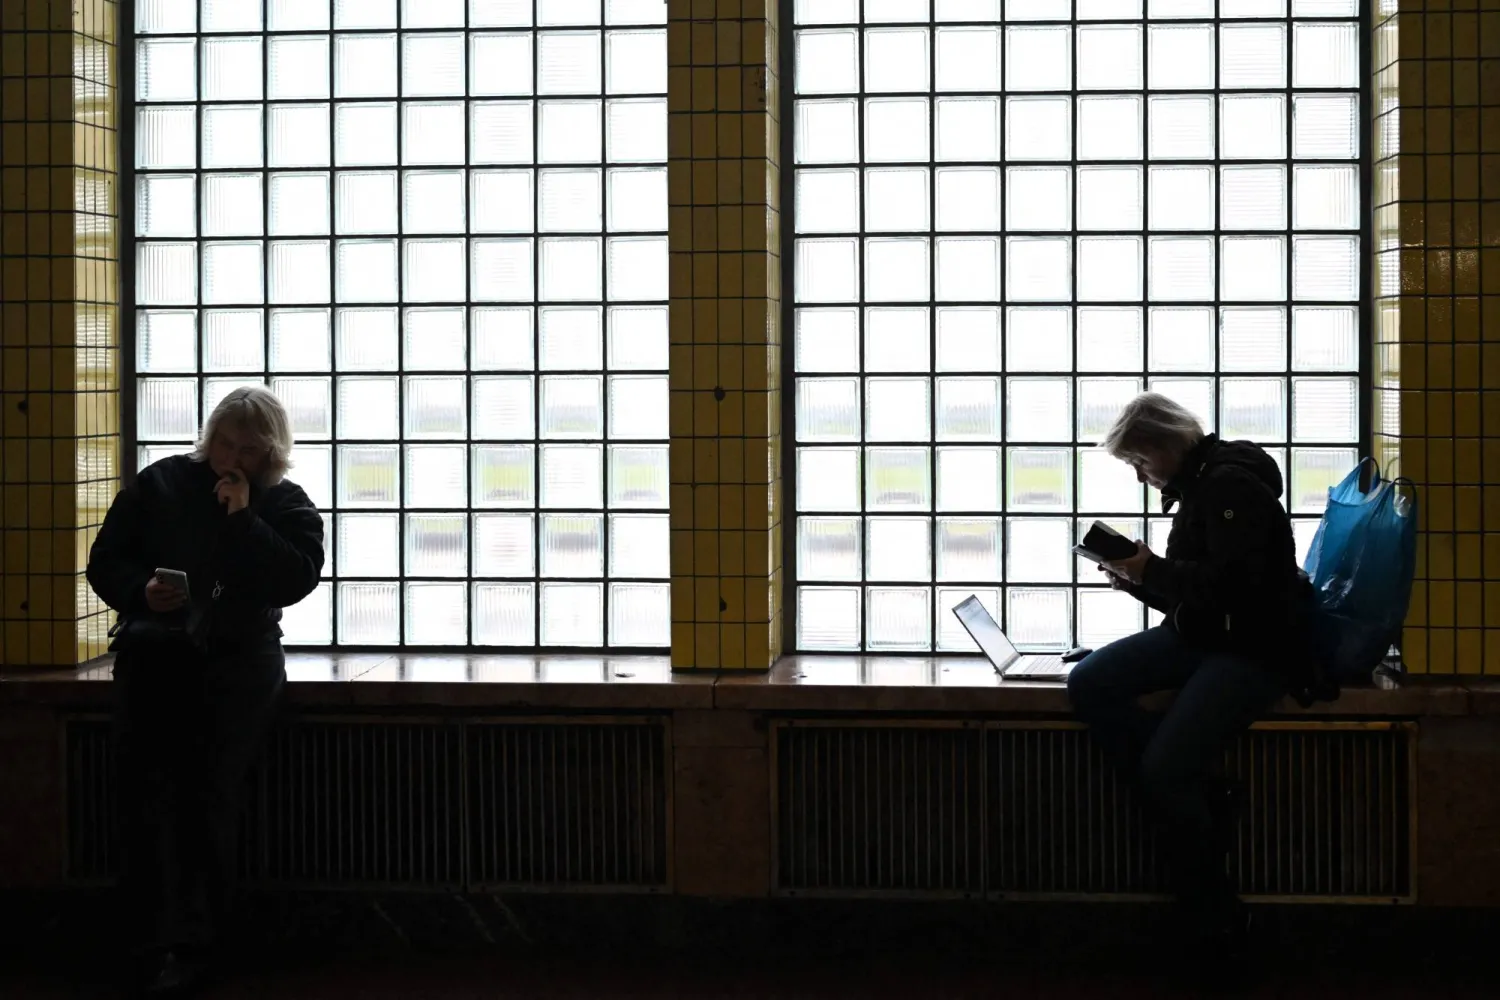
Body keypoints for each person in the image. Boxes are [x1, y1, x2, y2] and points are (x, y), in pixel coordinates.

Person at [87, 385, 324, 996]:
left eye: (247, 449)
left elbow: (297, 576)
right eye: (223, 441)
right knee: (145, 798)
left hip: (236, 669)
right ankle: (143, 939)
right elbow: (105, 559)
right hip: (157, 660)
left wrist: (244, 518)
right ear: (208, 434)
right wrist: (142, 590)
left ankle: (200, 944)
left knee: (211, 800)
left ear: (270, 453)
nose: (230, 457)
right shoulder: (162, 483)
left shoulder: (286, 504)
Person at [1065, 392, 1308, 973]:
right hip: (1204, 632)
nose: (1140, 476)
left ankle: (1217, 913)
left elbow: (1235, 591)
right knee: (1091, 681)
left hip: (1252, 646)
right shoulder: (1200, 485)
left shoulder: (1229, 489)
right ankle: (1193, 787)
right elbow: (1196, 590)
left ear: (1166, 445)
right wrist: (1141, 582)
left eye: (1140, 464)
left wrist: (1153, 571)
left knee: (1164, 772)